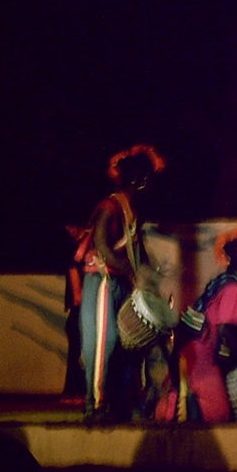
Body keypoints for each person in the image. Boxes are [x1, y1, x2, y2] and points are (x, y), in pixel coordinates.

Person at [77, 143, 166, 422]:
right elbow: (102, 245)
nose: (150, 185)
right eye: (147, 179)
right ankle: (96, 406)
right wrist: (132, 272)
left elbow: (131, 249)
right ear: (139, 181)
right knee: (104, 342)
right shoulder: (110, 206)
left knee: (120, 345)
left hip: (116, 281)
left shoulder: (129, 208)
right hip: (103, 280)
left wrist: (144, 274)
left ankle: (114, 403)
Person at [177, 228, 237, 423]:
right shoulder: (233, 289)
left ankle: (182, 394)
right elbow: (225, 331)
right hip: (201, 357)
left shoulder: (223, 281)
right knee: (219, 414)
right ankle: (181, 402)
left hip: (192, 351)